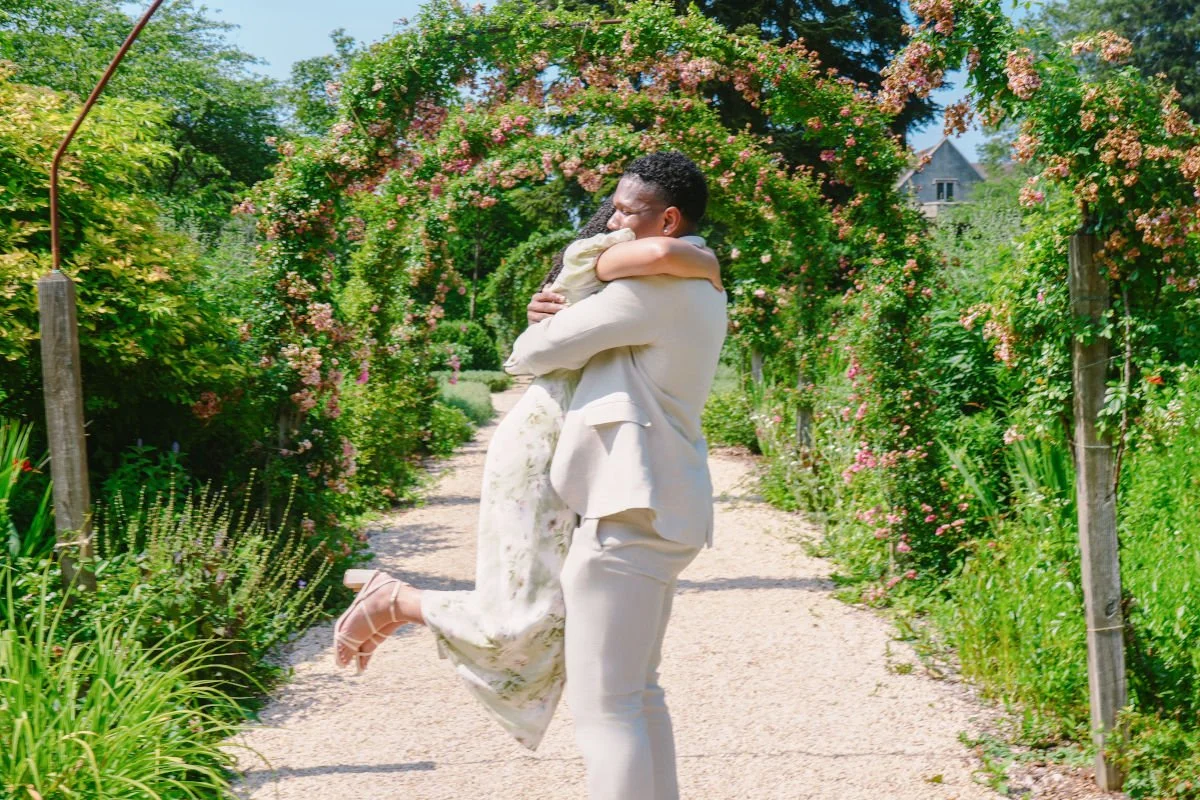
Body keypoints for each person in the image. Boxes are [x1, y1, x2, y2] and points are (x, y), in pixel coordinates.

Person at [331, 152, 724, 768]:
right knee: (640, 696)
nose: (613, 223)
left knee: (608, 708)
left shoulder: (652, 293)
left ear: (669, 221)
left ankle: (399, 603)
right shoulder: (698, 286)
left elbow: (534, 352)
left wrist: (548, 318)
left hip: (627, 508)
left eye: (626, 212)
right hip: (670, 509)